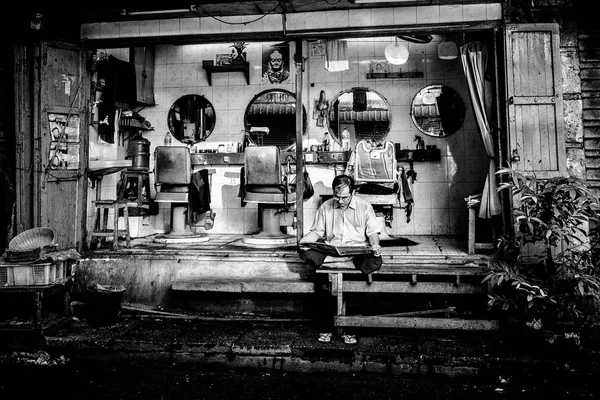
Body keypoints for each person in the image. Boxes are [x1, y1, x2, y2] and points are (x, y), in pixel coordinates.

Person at [298, 174, 382, 345]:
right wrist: (306, 240)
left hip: (356, 253)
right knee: (308, 257)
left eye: (344, 197)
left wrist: (375, 245)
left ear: (353, 193)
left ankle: (350, 329)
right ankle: (326, 328)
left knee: (371, 263)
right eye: (337, 196)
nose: (340, 200)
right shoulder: (326, 206)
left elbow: (373, 233)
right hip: (333, 252)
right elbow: (318, 232)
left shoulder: (365, 207)